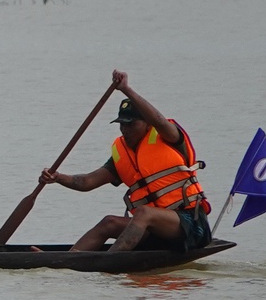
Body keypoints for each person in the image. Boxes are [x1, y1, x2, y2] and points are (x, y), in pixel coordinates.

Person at [41, 71, 212, 252]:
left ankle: (109, 261)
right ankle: (69, 259)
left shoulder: (168, 136)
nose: (125, 130)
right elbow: (87, 182)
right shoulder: (123, 154)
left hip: (190, 225)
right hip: (154, 231)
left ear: (147, 124)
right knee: (109, 222)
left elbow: (159, 120)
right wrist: (58, 177)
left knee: (144, 213)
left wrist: (126, 89)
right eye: (122, 124)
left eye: (131, 124)